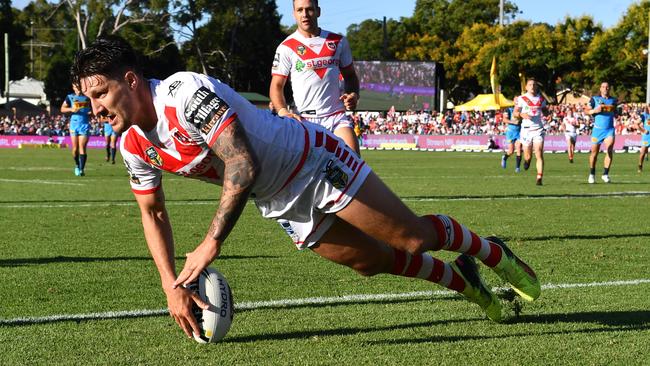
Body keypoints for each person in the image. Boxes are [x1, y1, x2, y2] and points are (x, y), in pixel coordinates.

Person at [72, 36, 541, 340]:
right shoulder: (134, 145)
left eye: (98, 94)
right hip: (279, 200)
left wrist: (210, 244)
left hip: (311, 160)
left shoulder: (183, 92)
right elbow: (152, 213)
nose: (93, 108)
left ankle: (491, 252)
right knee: (372, 263)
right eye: (86, 99)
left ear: (129, 81)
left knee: (412, 238)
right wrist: (171, 286)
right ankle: (470, 287)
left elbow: (242, 162)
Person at [269, 0, 360, 154]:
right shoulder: (286, 47)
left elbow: (350, 76)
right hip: (305, 121)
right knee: (307, 176)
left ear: (318, 11)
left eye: (309, 9)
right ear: (294, 14)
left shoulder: (338, 42)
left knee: (354, 166)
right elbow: (276, 86)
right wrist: (283, 111)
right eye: (299, 10)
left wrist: (353, 95)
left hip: (336, 117)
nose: (304, 14)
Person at [514, 79, 548, 185]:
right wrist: (521, 114)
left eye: (534, 84)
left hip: (538, 129)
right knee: (528, 155)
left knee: (538, 151)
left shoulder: (541, 99)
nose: (532, 86)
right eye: (530, 85)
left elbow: (545, 110)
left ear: (536, 87)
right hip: (526, 130)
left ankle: (539, 177)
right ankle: (527, 160)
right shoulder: (522, 99)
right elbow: (515, 112)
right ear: (526, 87)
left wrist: (548, 114)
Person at [586, 82, 617, 184]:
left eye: (607, 87)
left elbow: (616, 112)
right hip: (598, 130)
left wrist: (618, 111)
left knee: (609, 149)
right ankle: (592, 174)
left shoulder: (613, 100)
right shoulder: (594, 99)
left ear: (609, 88)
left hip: (609, 129)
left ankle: (605, 174)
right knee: (594, 153)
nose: (605, 88)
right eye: (603, 87)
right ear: (600, 88)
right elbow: (587, 111)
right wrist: (595, 110)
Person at [60, 84, 92, 176]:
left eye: (79, 87)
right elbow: (62, 109)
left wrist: (90, 112)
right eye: (76, 87)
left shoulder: (87, 97)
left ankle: (82, 169)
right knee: (75, 149)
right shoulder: (70, 97)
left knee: (82, 147)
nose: (78, 89)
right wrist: (71, 109)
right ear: (73, 88)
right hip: (74, 124)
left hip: (84, 124)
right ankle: (77, 165)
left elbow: (93, 109)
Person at [500, 105, 522, 173]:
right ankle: (504, 157)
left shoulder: (522, 110)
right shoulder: (508, 110)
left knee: (519, 148)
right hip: (510, 132)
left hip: (519, 132)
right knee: (511, 151)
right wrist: (513, 122)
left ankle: (517, 168)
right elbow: (504, 119)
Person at [637, 105, 650, 172]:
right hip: (647, 137)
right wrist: (643, 131)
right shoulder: (645, 115)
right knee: (642, 152)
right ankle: (640, 165)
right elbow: (636, 124)